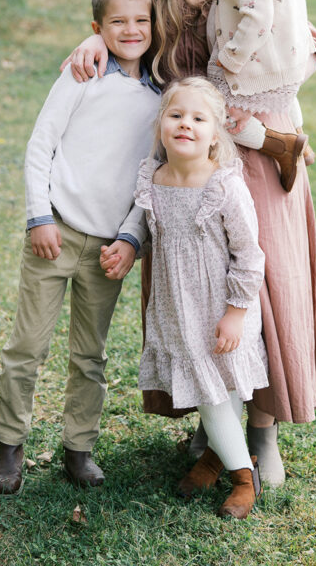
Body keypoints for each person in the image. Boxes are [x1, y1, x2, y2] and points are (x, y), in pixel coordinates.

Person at [64, 0, 316, 488]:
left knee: (260, 284)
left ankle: (262, 428)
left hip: (252, 147)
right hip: (186, 162)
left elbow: (292, 34)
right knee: (195, 292)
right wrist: (93, 39)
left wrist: (273, 122)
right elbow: (121, 26)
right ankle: (215, 420)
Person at [0, 0, 161, 495]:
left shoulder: (160, 93)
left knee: (91, 355)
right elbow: (41, 145)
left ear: (155, 25)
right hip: (57, 232)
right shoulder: (82, 75)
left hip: (109, 247)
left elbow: (153, 175)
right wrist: (39, 216)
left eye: (141, 20)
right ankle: (9, 446)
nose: (131, 30)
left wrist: (131, 239)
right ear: (97, 28)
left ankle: (78, 449)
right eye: (118, 22)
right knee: (27, 346)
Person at [105, 77, 267, 519]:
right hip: (178, 307)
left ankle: (242, 478)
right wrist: (127, 243)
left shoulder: (224, 186)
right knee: (215, 387)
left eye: (199, 118)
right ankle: (217, 458)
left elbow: (250, 256)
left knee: (218, 392)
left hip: (222, 306)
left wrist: (235, 313)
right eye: (176, 115)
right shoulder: (153, 177)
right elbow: (143, 223)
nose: (186, 125)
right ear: (161, 125)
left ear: (216, 134)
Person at [195, 0, 316, 192]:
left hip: (253, 63)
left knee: (219, 116)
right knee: (284, 94)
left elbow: (257, 20)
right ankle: (302, 136)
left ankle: (283, 146)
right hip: (289, 60)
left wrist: (230, 56)